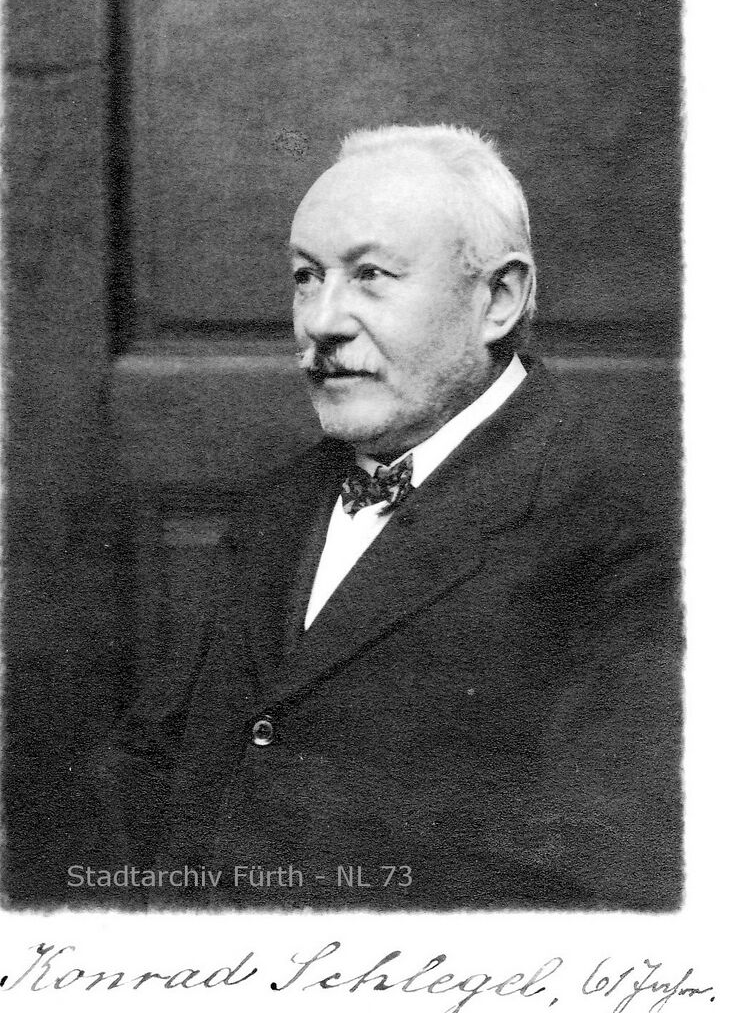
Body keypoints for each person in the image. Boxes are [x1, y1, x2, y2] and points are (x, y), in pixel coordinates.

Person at [92, 124, 681, 909]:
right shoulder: (278, 506)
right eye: (307, 277)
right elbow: (154, 762)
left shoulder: (626, 533)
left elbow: (608, 883)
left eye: (371, 274)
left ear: (498, 300)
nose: (322, 321)